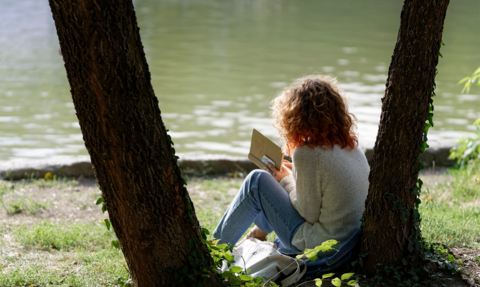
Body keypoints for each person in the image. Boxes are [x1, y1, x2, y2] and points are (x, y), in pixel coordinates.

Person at [213, 75, 370, 256]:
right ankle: (256, 234)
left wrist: (286, 180)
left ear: (295, 117)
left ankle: (214, 251)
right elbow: (325, 194)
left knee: (257, 180)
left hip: (321, 249)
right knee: (275, 181)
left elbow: (308, 214)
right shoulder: (351, 147)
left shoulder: (307, 153)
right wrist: (292, 176)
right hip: (348, 244)